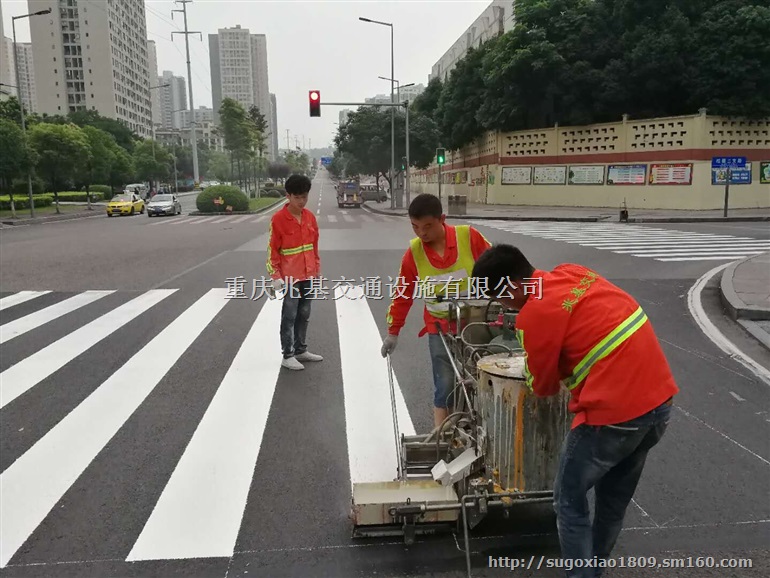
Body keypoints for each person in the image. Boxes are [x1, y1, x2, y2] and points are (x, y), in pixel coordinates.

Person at [470, 244, 678, 577]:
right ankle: (593, 569)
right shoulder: (572, 272)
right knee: (612, 502)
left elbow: (542, 386)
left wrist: (537, 357)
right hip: (658, 405)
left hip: (611, 418)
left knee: (568, 501)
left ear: (510, 287)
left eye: (500, 298)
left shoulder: (532, 316)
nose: (502, 306)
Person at [380, 193, 492, 428]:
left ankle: (481, 429)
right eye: (415, 227)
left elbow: (498, 269)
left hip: (476, 325)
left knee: (481, 379)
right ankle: (441, 437)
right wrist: (393, 331)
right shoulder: (414, 253)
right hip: (439, 328)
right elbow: (403, 293)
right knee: (445, 385)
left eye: (427, 226)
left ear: (442, 219)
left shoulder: (468, 237)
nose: (421, 233)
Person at [267, 174, 324, 370]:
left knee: (305, 313)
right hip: (290, 277)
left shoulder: (309, 217)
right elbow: (272, 250)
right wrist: (275, 276)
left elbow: (314, 246)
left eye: (305, 197)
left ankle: (301, 349)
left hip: (308, 274)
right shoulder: (278, 220)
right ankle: (288, 354)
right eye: (297, 197)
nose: (302, 201)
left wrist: (316, 270)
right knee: (289, 315)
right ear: (288, 196)